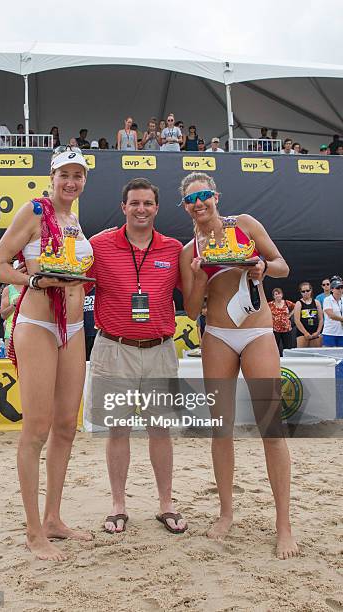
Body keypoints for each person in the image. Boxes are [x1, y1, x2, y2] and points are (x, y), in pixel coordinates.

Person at [179, 171, 299, 559]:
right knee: (221, 429)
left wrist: (262, 267)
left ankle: (284, 524)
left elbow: (282, 265)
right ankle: (226, 512)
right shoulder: (188, 250)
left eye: (204, 195)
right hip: (217, 335)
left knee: (271, 427)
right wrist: (198, 277)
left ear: (216, 196)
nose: (199, 203)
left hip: (257, 331)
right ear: (185, 206)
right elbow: (193, 309)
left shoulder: (244, 225)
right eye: (191, 199)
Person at [0, 147, 94, 561]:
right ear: (51, 176)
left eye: (78, 175)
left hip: (73, 325)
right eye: (64, 174)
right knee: (36, 428)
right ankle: (34, 532)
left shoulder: (72, 220)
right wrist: (31, 281)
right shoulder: (34, 211)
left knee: (67, 425)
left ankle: (53, 518)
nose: (71, 181)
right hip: (37, 325)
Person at [85, 177, 187, 535]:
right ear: (123, 207)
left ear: (157, 208)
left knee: (161, 430)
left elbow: (196, 293)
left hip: (159, 350)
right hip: (114, 348)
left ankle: (165, 504)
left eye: (147, 203)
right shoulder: (98, 245)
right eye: (134, 203)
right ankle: (118, 506)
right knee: (118, 429)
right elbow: (72, 285)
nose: (141, 209)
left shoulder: (174, 249)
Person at [293, 282, 323, 348]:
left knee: (316, 355)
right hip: (302, 333)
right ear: (301, 292)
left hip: (315, 332)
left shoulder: (316, 302)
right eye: (303, 291)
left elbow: (321, 319)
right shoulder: (299, 303)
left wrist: (318, 332)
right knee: (302, 355)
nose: (306, 293)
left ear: (311, 290)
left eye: (307, 291)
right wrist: (305, 332)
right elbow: (297, 320)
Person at [268, 288, 295, 355]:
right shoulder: (270, 304)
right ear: (273, 296)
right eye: (276, 294)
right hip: (275, 330)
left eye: (279, 293)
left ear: (282, 295)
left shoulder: (287, 302)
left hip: (287, 329)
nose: (278, 295)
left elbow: (297, 306)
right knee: (275, 347)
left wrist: (290, 315)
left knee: (288, 348)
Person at [0, 271, 22, 350]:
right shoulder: (8, 289)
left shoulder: (32, 287)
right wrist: (14, 305)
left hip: (30, 332)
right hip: (11, 333)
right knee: (10, 362)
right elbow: (3, 315)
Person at [322, 278, 343, 347]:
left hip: (341, 333)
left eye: (341, 287)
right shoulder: (327, 300)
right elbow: (331, 315)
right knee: (330, 355)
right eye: (337, 288)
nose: (340, 290)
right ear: (332, 289)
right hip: (330, 333)